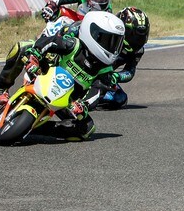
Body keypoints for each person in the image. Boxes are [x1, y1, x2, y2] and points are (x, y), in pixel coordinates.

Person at [0, 0, 113, 107]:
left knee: (114, 96)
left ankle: (74, 103)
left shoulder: (107, 13)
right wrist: (51, 7)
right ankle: (1, 90)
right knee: (21, 48)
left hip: (81, 48)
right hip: (68, 36)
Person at [16, 11, 124, 141]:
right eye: (108, 41)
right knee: (20, 49)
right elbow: (49, 41)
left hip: (67, 101)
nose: (112, 48)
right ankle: (1, 90)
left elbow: (97, 92)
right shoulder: (74, 44)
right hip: (42, 74)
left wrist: (83, 105)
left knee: (87, 129)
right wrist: (34, 55)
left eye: (115, 43)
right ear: (93, 34)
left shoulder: (105, 70)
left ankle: (37, 128)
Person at [81, 7, 150, 111]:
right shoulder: (106, 33)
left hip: (104, 77)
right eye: (133, 35)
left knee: (120, 98)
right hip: (86, 65)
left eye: (141, 36)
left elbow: (130, 72)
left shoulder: (138, 51)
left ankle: (87, 98)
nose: (137, 41)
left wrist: (115, 77)